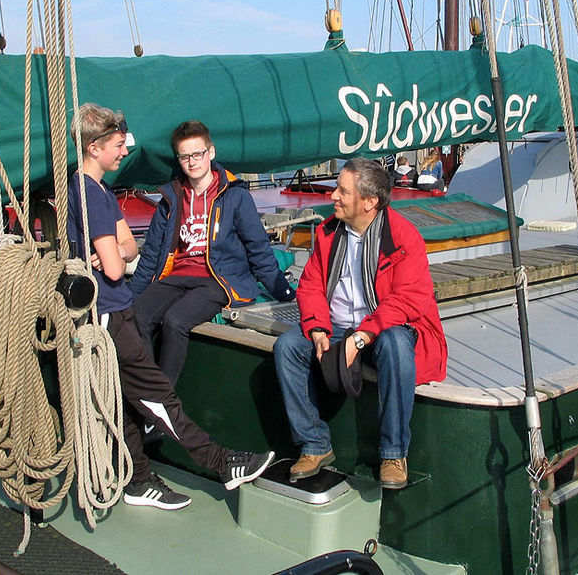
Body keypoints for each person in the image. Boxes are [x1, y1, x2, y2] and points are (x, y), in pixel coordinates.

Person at [67, 103, 273, 510]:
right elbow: (115, 264)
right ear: (94, 148)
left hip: (109, 310)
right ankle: (222, 462)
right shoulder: (93, 194)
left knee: (124, 399)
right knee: (161, 396)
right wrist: (115, 255)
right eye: (116, 144)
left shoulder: (93, 189)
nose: (125, 150)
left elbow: (129, 246)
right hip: (109, 312)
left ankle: (138, 479)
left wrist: (116, 253)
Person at [273, 157, 447, 489]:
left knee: (396, 344)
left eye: (342, 191)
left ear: (369, 202)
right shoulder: (328, 233)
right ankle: (314, 445)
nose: (333, 197)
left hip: (381, 328)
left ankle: (394, 452)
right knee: (288, 348)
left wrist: (362, 337)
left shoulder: (403, 237)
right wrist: (319, 329)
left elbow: (407, 300)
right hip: (337, 325)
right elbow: (310, 285)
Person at [129, 120, 295, 386]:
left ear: (211, 152)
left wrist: (286, 294)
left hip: (218, 279)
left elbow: (259, 250)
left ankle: (163, 402)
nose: (193, 162)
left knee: (175, 320)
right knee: (137, 315)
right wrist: (128, 299)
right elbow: (150, 257)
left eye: (198, 154)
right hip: (178, 276)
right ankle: (150, 394)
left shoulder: (235, 197)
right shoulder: (171, 199)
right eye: (185, 156)